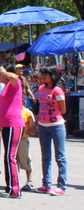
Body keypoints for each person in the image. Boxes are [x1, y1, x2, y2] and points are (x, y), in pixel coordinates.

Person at [35, 65, 67, 196]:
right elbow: (38, 106)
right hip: (43, 125)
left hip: (57, 125)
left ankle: (61, 186)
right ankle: (46, 184)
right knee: (45, 156)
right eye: (42, 74)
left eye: (45, 75)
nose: (42, 77)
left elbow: (63, 110)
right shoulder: (41, 89)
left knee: (60, 156)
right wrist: (35, 123)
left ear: (52, 76)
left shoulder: (58, 91)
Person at [0, 63, 24, 198]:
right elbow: (4, 108)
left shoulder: (15, 83)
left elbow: (14, 76)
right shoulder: (6, 87)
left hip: (14, 124)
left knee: (10, 157)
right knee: (8, 157)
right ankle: (10, 187)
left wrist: (4, 71)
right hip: (6, 124)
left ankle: (14, 189)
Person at [18, 105, 37, 192]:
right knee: (14, 160)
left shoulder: (27, 112)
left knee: (26, 158)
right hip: (12, 138)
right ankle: (15, 181)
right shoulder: (12, 110)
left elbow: (33, 127)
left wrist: (31, 130)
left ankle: (29, 181)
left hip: (23, 138)